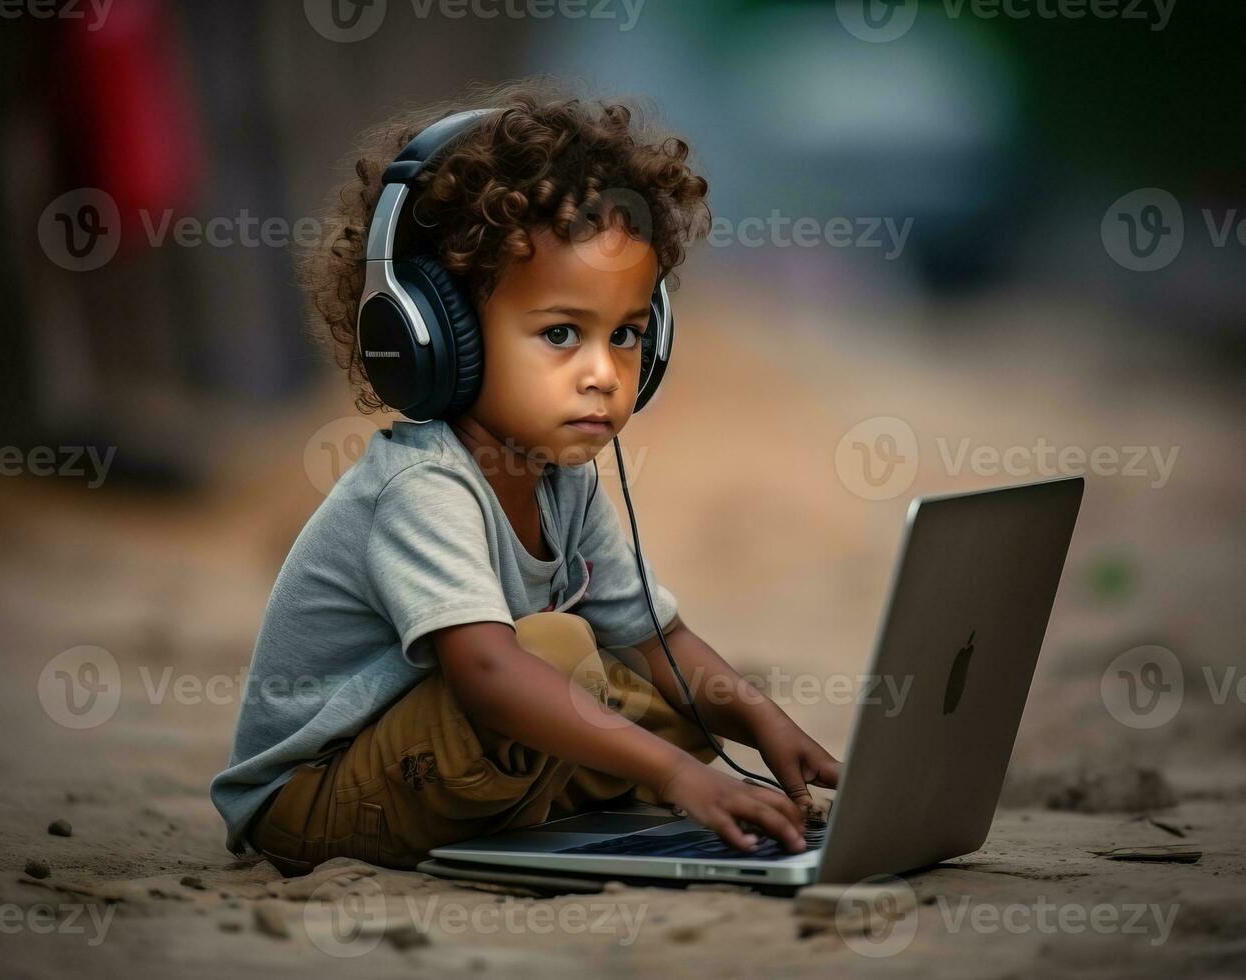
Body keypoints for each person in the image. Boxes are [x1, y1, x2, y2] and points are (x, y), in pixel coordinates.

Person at [210, 78, 840, 876]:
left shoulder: (561, 481)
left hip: (427, 755)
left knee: (660, 695)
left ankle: (567, 812)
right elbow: (487, 672)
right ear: (434, 333)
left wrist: (769, 726)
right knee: (555, 654)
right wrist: (677, 778)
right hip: (317, 796)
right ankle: (571, 801)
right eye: (561, 333)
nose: (603, 374)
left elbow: (662, 645)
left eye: (626, 336)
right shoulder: (422, 486)